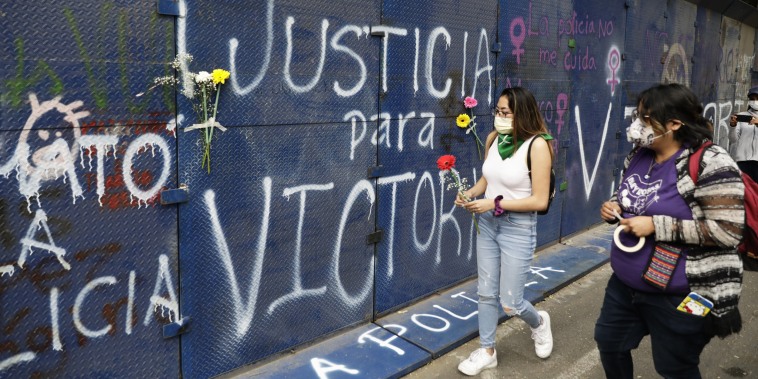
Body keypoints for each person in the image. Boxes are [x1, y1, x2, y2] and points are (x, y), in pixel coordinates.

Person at [597, 83, 744, 378]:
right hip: (625, 287)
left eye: (645, 119)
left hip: (680, 294)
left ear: (674, 123)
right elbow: (631, 194)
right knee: (609, 344)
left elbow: (728, 232)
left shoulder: (711, 162)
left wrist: (655, 226)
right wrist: (614, 208)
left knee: (675, 366)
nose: (637, 126)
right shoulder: (640, 153)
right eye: (637, 117)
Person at [453, 87, 554, 376]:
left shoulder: (537, 145)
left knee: (510, 302)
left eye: (506, 112)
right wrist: (469, 193)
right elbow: (488, 177)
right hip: (487, 224)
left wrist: (493, 203)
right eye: (497, 111)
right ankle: (487, 350)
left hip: (517, 228)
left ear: (522, 113)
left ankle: (539, 323)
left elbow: (540, 200)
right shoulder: (493, 138)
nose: (499, 117)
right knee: (485, 292)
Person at [728, 86, 758, 182]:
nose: (755, 101)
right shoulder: (742, 115)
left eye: (757, 99)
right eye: (752, 99)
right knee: (745, 192)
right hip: (743, 162)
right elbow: (733, 139)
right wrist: (733, 126)